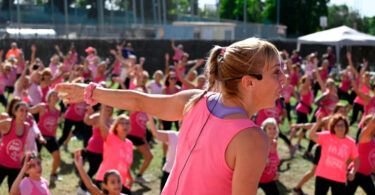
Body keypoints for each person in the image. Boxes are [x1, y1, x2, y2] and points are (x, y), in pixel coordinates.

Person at [56, 37, 286, 194]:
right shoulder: (253, 139)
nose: (283, 79)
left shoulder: (196, 100)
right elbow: (138, 100)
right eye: (276, 72)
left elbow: (138, 100)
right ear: (249, 82)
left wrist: (91, 92)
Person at [309, 113, 359, 195]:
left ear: (346, 127)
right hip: (323, 175)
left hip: (339, 178)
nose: (340, 128)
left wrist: (353, 172)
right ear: (333, 127)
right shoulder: (326, 136)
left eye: (342, 125)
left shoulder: (351, 142)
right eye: (337, 125)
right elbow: (311, 135)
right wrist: (317, 124)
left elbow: (357, 160)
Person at [95, 106, 133, 194]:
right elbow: (102, 126)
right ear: (116, 127)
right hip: (105, 181)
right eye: (122, 123)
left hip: (119, 183)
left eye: (127, 123)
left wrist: (130, 178)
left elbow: (125, 163)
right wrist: (103, 108)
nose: (125, 125)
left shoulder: (129, 143)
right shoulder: (111, 138)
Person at [29, 90, 62, 182]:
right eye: (53, 95)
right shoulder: (42, 107)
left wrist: (54, 135)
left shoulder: (57, 111)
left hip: (51, 137)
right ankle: (32, 178)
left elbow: (55, 124)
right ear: (49, 97)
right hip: (39, 136)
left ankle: (53, 175)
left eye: (57, 96)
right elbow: (29, 111)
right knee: (35, 159)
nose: (55, 97)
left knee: (57, 157)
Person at [0, 102, 30, 191]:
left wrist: (25, 163)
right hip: (2, 163)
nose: (24, 113)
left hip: (16, 166)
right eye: (21, 110)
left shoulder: (27, 126)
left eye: (26, 111)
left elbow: (23, 146)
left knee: (14, 192)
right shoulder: (8, 123)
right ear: (15, 112)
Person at [147, 114, 179, 192]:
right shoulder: (174, 135)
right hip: (168, 173)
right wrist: (149, 115)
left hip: (183, 176)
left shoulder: (195, 139)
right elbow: (155, 133)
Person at [346, 114, 375, 194]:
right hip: (355, 172)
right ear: (365, 125)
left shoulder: (373, 140)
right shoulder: (364, 136)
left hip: (365, 174)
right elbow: (372, 123)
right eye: (369, 123)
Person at [258, 118, 280, 195]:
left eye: (274, 128)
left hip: (269, 179)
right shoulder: (260, 143)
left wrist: (276, 171)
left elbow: (275, 160)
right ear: (264, 130)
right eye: (269, 128)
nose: (272, 131)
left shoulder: (275, 143)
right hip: (256, 180)